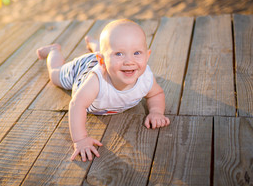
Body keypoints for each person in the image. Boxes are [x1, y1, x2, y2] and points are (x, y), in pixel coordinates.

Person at [36, 19, 170, 162]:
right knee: (55, 75)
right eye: (119, 54)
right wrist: (80, 139)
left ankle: (95, 45)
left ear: (147, 55)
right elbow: (77, 105)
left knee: (107, 49)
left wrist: (156, 112)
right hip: (82, 69)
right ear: (102, 61)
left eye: (137, 53)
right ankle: (53, 51)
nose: (129, 61)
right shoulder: (96, 81)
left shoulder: (146, 78)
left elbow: (156, 93)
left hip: (104, 59)